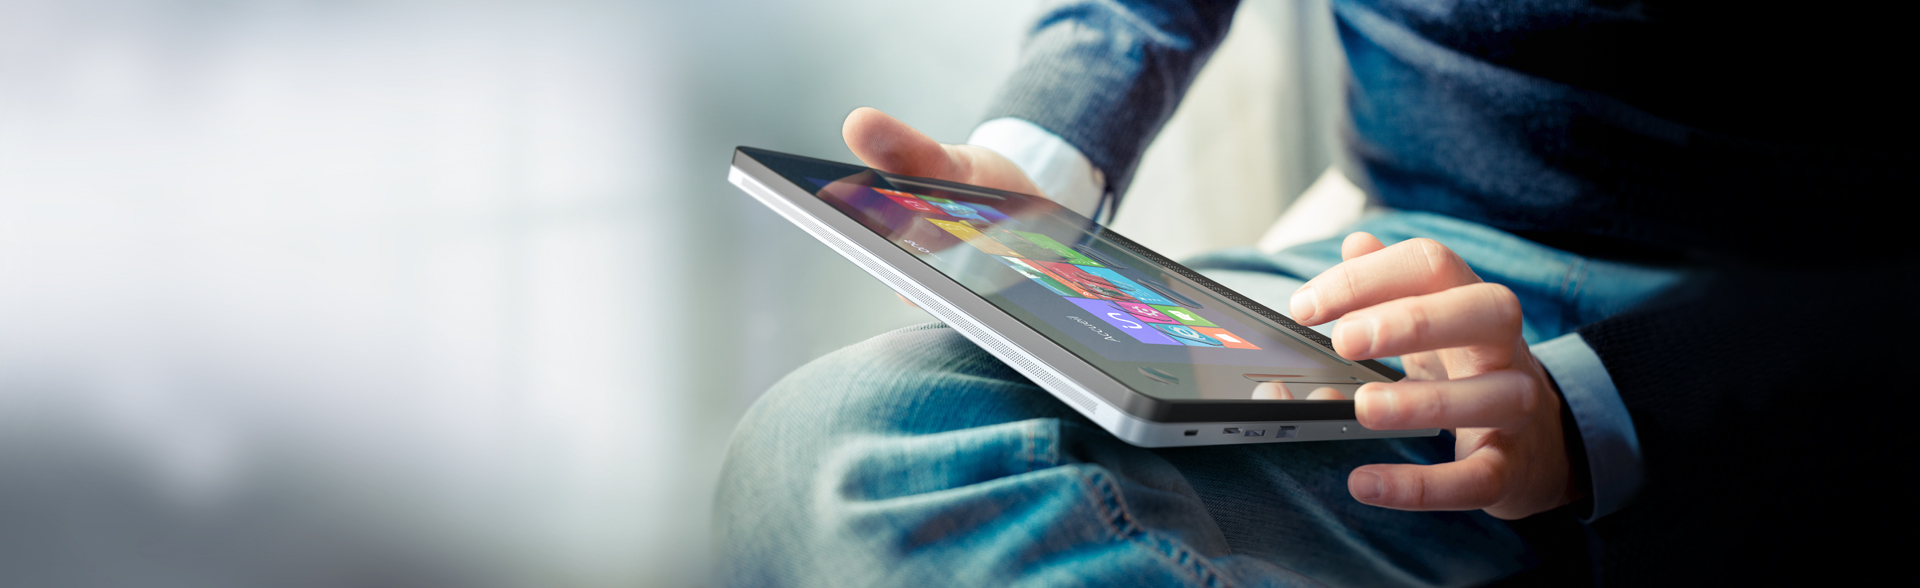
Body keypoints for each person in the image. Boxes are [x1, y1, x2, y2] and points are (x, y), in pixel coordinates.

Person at [715, 1, 1914, 585]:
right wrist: (1029, 176)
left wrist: (1608, 410)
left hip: (1797, 350)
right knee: (839, 454)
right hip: (1408, 280)